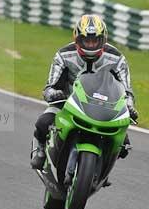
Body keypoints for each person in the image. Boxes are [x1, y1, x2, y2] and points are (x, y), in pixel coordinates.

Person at [30, 14, 138, 170]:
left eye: (95, 40)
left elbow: (127, 90)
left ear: (103, 39)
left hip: (104, 107)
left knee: (123, 144)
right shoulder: (64, 55)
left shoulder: (116, 59)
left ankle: (102, 168)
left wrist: (129, 106)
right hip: (68, 103)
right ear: (77, 39)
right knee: (43, 122)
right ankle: (40, 151)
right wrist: (53, 93)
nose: (91, 45)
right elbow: (50, 85)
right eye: (86, 40)